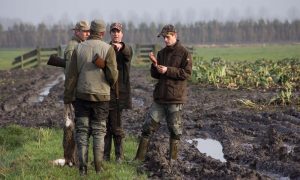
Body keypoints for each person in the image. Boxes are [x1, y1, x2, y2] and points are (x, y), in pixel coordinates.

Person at [64, 19, 118, 176]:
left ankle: (82, 169)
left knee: (81, 132)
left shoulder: (79, 48)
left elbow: (71, 76)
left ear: (91, 31)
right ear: (102, 33)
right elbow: (113, 77)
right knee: (99, 132)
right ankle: (99, 168)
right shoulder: (108, 49)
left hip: (81, 97)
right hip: (101, 98)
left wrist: (68, 97)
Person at [134, 24, 192, 163]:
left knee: (175, 131)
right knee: (147, 128)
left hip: (175, 98)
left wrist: (168, 70)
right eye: (163, 37)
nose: (165, 40)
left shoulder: (184, 53)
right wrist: (154, 65)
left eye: (168, 37)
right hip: (159, 99)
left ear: (175, 35)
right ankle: (138, 159)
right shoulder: (161, 53)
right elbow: (155, 75)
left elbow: (186, 74)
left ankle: (173, 161)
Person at [103, 22, 133, 163]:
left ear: (122, 34)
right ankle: (105, 156)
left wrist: (121, 47)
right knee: (106, 127)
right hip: (105, 92)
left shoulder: (126, 49)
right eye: (113, 31)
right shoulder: (105, 49)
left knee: (117, 126)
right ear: (110, 34)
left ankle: (119, 156)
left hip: (119, 94)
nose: (115, 33)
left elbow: (128, 53)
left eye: (118, 31)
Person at [62, 20, 90, 167]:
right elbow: (69, 73)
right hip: (73, 94)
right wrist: (70, 95)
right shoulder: (72, 47)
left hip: (77, 92)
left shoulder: (80, 45)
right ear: (76, 32)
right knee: (70, 128)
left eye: (88, 31)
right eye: (84, 31)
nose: (87, 33)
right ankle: (70, 159)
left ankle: (73, 159)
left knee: (76, 127)